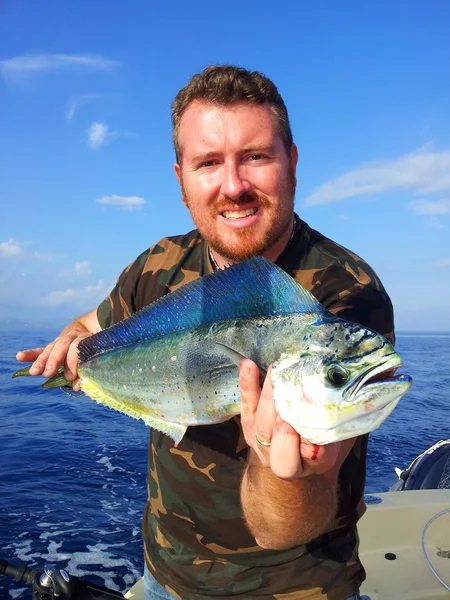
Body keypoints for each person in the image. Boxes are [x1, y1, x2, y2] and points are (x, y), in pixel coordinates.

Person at [16, 65, 394, 600]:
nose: (233, 185)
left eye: (256, 156)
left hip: (295, 588)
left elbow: (282, 528)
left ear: (292, 161)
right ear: (180, 179)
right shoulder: (157, 266)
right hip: (163, 574)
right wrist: (72, 348)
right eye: (209, 162)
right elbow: (91, 325)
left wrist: (285, 472)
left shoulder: (347, 295)